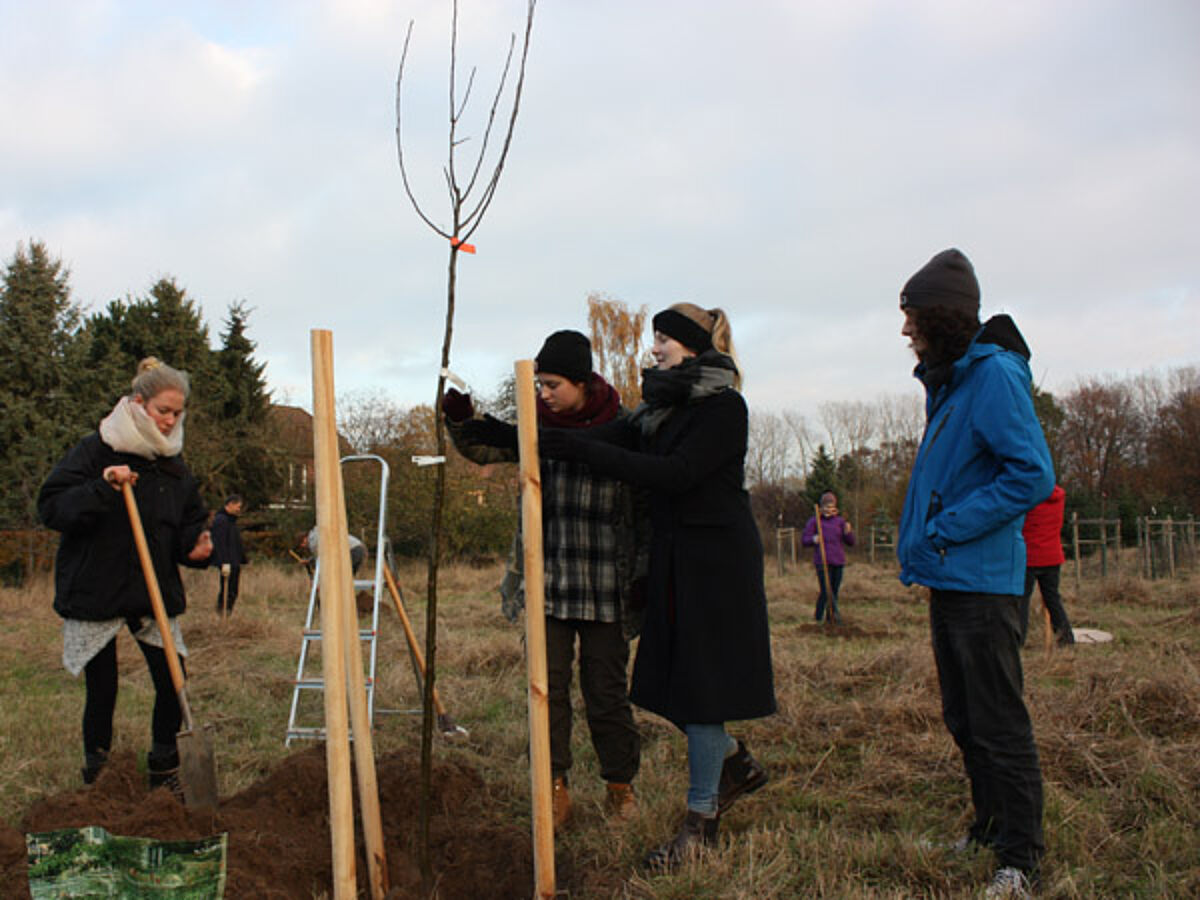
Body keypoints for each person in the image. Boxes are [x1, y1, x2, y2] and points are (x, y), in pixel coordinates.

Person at [540, 304, 775, 870]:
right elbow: (593, 435)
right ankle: (733, 761)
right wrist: (504, 432)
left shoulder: (724, 408)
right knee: (663, 685)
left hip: (715, 563)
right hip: (673, 560)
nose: (655, 348)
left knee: (700, 691)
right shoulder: (658, 409)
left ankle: (700, 824)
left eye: (664, 339)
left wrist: (586, 451)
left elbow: (677, 474)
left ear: (692, 346)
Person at [895, 249, 1054, 900]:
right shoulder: (953, 382)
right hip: (951, 578)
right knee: (964, 718)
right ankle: (988, 828)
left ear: (940, 318)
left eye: (911, 317)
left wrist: (949, 526)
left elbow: (1031, 475)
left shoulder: (993, 378)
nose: (905, 330)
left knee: (998, 724)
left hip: (984, 583)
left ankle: (1021, 859)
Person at [444, 330, 646, 828]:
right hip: (547, 583)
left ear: (582, 382)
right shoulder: (535, 427)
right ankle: (554, 786)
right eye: (540, 384)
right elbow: (483, 449)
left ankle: (620, 787)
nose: (544, 393)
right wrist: (460, 419)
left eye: (554, 384)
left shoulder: (624, 426)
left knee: (606, 692)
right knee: (546, 691)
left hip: (606, 583)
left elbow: (646, 498)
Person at [38, 357, 212, 793]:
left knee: (172, 678)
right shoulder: (97, 450)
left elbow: (187, 521)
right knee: (103, 687)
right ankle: (99, 779)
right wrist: (103, 487)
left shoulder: (173, 465)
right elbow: (52, 507)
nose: (170, 421)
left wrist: (195, 546)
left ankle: (164, 769)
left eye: (177, 413)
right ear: (138, 403)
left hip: (151, 590)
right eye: (163, 411)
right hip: (96, 586)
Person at [1019, 485, 1074, 647]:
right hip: (1052, 555)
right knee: (1052, 599)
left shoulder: (1028, 497)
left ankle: (1018, 640)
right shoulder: (1058, 497)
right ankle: (1066, 638)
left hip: (1030, 556)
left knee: (1021, 601)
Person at [801, 491, 856, 625]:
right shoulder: (815, 521)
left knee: (834, 592)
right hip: (822, 562)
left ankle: (830, 618)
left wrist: (848, 532)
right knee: (826, 591)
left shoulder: (840, 521)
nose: (829, 509)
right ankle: (820, 618)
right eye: (827, 506)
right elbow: (804, 540)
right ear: (822, 507)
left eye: (832, 507)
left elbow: (851, 542)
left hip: (838, 561)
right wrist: (814, 539)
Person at [211, 494, 247, 617]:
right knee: (227, 590)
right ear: (230, 504)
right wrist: (224, 562)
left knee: (233, 590)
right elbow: (219, 543)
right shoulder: (221, 521)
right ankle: (223, 614)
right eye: (238, 506)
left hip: (234, 561)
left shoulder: (231, 521)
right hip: (228, 562)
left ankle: (227, 613)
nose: (239, 509)